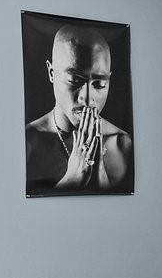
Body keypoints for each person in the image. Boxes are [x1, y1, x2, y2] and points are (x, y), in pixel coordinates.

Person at [25, 23, 133, 193]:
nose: (88, 99)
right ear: (51, 73)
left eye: (99, 84)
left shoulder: (122, 145)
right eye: (75, 80)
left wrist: (101, 181)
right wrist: (72, 180)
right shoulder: (27, 143)